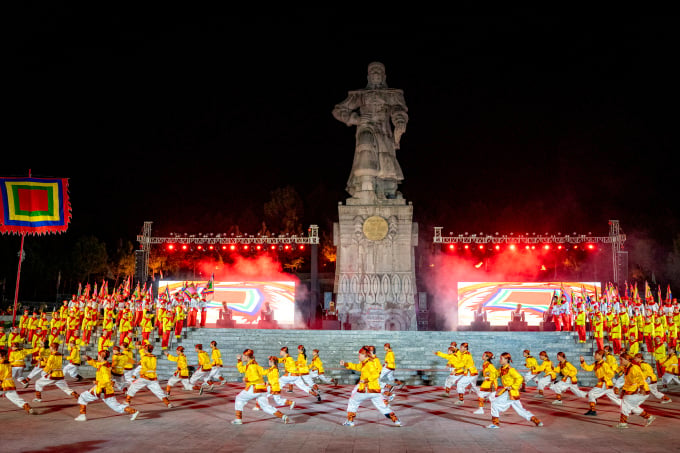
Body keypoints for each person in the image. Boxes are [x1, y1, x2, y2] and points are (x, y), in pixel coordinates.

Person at [332, 61, 409, 199]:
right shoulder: (360, 95)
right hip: (365, 128)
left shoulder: (392, 95)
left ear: (384, 76)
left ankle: (388, 189)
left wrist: (400, 121)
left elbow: (399, 110)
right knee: (366, 146)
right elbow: (338, 110)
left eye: (378, 71)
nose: (375, 74)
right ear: (368, 77)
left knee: (386, 159)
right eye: (373, 71)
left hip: (384, 131)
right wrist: (355, 119)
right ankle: (365, 185)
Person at [340, 346, 402, 427]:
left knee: (353, 401)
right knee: (382, 407)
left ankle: (350, 421)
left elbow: (376, 374)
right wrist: (346, 364)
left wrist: (366, 380)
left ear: (365, 355)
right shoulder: (366, 362)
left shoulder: (370, 363)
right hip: (375, 391)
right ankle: (396, 420)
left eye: (360, 355)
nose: (358, 356)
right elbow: (357, 367)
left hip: (366, 389)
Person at [75, 349, 140, 421]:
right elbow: (96, 364)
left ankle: (82, 415)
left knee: (82, 397)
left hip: (102, 389)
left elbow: (106, 380)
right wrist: (89, 358)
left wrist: (99, 386)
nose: (98, 357)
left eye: (99, 355)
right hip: (105, 389)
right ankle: (133, 411)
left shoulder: (103, 367)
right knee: (117, 407)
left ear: (101, 357)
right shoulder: (104, 364)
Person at [232, 349, 290, 425]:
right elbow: (242, 370)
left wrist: (245, 379)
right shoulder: (253, 364)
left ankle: (238, 419)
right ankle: (283, 416)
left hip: (254, 388)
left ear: (247, 356)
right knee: (265, 406)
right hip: (262, 388)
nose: (242, 357)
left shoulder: (252, 365)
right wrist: (239, 360)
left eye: (243, 356)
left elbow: (255, 377)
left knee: (239, 398)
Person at [486, 352, 542, 429]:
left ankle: (495, 423)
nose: (500, 360)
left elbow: (520, 378)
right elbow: (496, 374)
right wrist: (489, 373)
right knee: (520, 410)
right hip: (512, 393)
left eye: (501, 358)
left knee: (495, 403)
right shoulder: (502, 369)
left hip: (511, 392)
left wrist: (512, 386)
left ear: (506, 359)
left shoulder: (511, 370)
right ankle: (536, 420)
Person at [125, 343, 173, 408]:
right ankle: (168, 404)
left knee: (132, 388)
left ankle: (127, 402)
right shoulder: (154, 357)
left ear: (146, 350)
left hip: (144, 378)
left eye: (144, 349)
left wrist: (132, 361)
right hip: (153, 378)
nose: (143, 350)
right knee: (159, 391)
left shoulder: (144, 357)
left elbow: (139, 363)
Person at [615, 352, 655, 428]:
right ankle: (649, 417)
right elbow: (624, 379)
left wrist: (642, 388)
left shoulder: (634, 368)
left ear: (627, 360)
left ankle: (623, 423)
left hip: (641, 391)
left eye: (621, 359)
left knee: (625, 403)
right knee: (631, 407)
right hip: (634, 390)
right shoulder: (626, 368)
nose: (620, 361)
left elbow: (640, 378)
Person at [579, 349, 621, 416]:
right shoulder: (596, 363)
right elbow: (588, 368)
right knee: (615, 399)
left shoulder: (604, 364)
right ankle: (630, 407)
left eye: (596, 354)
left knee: (591, 394)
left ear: (601, 355)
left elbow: (611, 374)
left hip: (604, 384)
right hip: (605, 384)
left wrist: (604, 379)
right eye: (595, 354)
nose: (595, 356)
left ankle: (593, 410)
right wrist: (582, 361)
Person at [0, 348, 35, 414]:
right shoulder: (8, 364)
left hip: (3, 384)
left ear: (3, 356)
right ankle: (27, 407)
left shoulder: (1, 364)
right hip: (9, 383)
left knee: (14, 397)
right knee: (15, 398)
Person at [472, 351, 498, 415]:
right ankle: (496, 408)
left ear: (487, 357)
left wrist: (489, 377)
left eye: (484, 355)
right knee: (490, 397)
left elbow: (496, 373)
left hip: (490, 383)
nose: (482, 356)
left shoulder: (489, 365)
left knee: (483, 395)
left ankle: (482, 410)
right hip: (488, 383)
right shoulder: (485, 364)